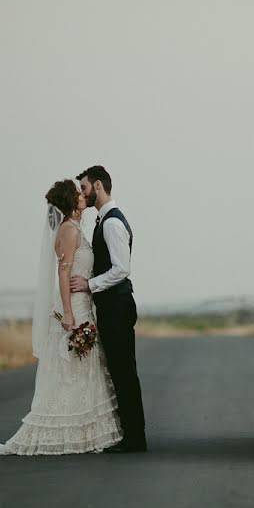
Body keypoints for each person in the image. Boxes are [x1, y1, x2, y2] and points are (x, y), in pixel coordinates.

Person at [0, 180, 122, 456]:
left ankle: (87, 429)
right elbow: (63, 274)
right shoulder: (68, 231)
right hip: (74, 305)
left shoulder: (74, 228)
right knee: (73, 367)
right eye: (78, 193)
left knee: (83, 368)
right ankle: (69, 428)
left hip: (83, 301)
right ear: (70, 201)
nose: (82, 195)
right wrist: (69, 313)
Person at [71, 165, 147, 453]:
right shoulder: (104, 220)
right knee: (119, 370)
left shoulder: (113, 223)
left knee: (124, 371)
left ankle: (135, 438)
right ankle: (132, 435)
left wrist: (89, 284)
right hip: (112, 306)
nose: (83, 193)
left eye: (85, 188)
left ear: (98, 186)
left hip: (117, 306)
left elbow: (121, 269)